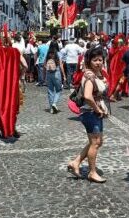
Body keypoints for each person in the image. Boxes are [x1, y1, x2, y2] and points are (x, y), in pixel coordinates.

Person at [67, 47, 108, 183]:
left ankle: (76, 162)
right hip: (90, 112)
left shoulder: (98, 73)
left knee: (97, 142)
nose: (98, 62)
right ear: (89, 61)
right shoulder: (90, 76)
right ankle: (92, 172)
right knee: (95, 143)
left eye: (100, 60)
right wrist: (97, 109)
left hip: (93, 112)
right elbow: (88, 96)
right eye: (95, 60)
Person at [0, 37, 23, 138]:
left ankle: (4, 132)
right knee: (12, 105)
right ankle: (13, 129)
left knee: (0, 107)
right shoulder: (15, 51)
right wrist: (19, 75)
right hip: (12, 84)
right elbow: (25, 65)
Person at [45, 42, 63, 114]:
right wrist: (64, 75)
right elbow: (61, 65)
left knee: (50, 91)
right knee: (59, 90)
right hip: (57, 73)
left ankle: (51, 109)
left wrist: (44, 75)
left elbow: (44, 64)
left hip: (48, 73)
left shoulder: (48, 54)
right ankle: (54, 104)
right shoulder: (58, 54)